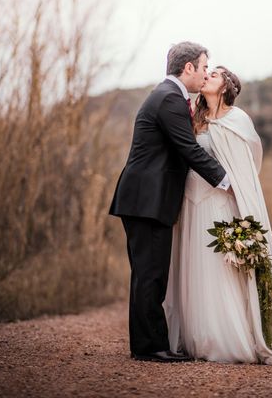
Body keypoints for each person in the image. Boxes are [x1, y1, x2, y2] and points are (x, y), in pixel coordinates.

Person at [164, 66, 272, 364]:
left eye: (214, 74)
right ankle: (194, 337)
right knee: (193, 269)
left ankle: (225, 338)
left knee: (220, 271)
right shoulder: (196, 118)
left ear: (226, 86)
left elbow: (246, 169)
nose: (207, 76)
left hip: (219, 206)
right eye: (208, 71)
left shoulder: (238, 119)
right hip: (191, 205)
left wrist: (244, 211)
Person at [109, 42, 231, 363]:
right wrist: (226, 180)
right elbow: (187, 149)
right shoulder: (169, 99)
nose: (206, 73)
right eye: (204, 67)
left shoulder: (168, 96)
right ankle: (151, 348)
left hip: (144, 199)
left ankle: (146, 345)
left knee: (147, 273)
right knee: (151, 274)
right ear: (188, 68)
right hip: (147, 200)